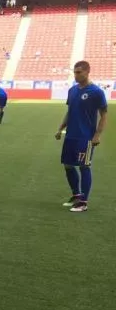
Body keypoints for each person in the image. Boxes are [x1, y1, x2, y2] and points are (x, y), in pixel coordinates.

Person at [55, 60, 108, 212]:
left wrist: (97, 135)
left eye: (79, 72)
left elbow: (104, 115)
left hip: (86, 137)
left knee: (84, 166)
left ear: (87, 72)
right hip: (71, 135)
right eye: (75, 72)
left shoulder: (96, 92)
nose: (76, 75)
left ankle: (83, 202)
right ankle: (76, 195)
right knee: (68, 165)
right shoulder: (72, 90)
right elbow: (70, 112)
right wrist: (60, 128)